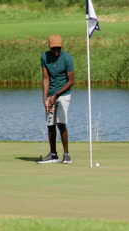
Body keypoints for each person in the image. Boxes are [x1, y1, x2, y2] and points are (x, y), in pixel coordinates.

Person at [38, 34, 75, 164]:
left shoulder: (67, 58)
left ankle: (66, 155)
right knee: (50, 125)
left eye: (58, 48)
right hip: (51, 94)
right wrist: (45, 99)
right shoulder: (44, 57)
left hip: (64, 94)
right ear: (49, 47)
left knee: (61, 123)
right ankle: (53, 154)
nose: (56, 51)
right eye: (54, 48)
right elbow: (46, 79)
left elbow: (71, 81)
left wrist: (56, 95)